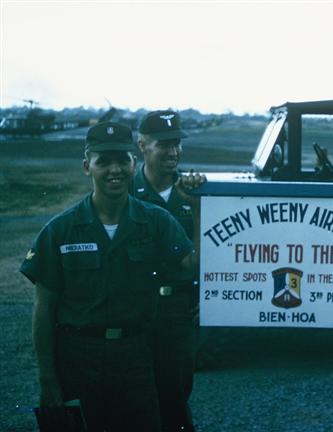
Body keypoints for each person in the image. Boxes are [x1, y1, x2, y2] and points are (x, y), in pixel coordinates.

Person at [21, 121, 204, 431]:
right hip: (77, 360)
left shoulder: (156, 221)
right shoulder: (60, 230)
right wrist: (48, 379)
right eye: (103, 161)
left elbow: (191, 266)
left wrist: (199, 210)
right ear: (86, 166)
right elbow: (44, 310)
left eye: (122, 160)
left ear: (134, 163)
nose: (114, 169)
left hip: (135, 357)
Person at [134, 110, 200, 432]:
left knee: (174, 395)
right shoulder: (124, 192)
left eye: (177, 144)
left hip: (176, 309)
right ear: (142, 145)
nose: (173, 152)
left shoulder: (192, 192)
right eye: (164, 144)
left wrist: (200, 204)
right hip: (132, 309)